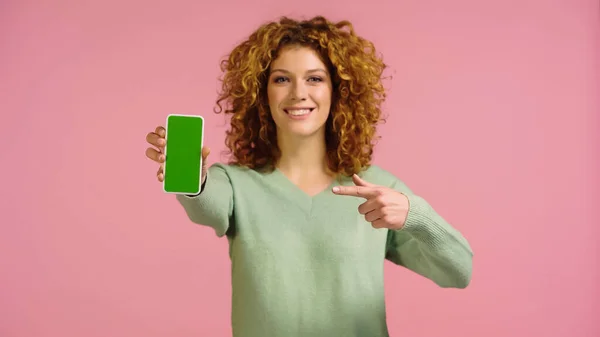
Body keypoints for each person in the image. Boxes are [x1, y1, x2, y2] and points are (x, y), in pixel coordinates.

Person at [145, 15, 473, 337]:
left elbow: (458, 272)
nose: (298, 93)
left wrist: (414, 215)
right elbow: (206, 205)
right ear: (262, 92)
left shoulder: (380, 190)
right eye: (282, 79)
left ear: (338, 90)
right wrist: (194, 178)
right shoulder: (234, 183)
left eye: (314, 78)